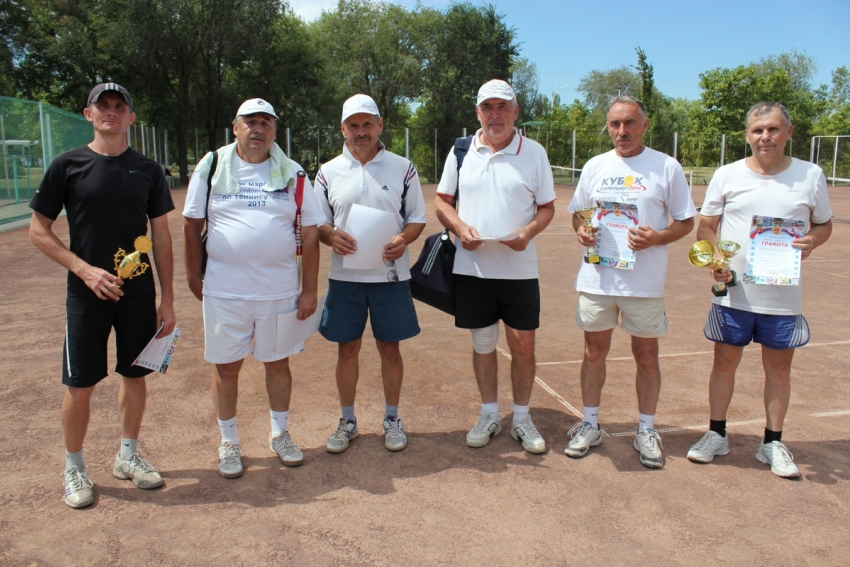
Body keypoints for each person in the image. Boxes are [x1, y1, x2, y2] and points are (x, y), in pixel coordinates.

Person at [29, 83, 176, 508]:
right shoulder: (67, 165)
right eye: (103, 106)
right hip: (86, 295)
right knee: (79, 386)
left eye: (120, 107)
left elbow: (162, 238)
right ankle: (74, 467)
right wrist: (83, 268)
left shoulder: (148, 170)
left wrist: (166, 301)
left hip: (137, 294)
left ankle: (127, 456)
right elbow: (39, 230)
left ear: (131, 117)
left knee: (135, 376)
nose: (111, 112)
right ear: (88, 114)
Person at [686, 102, 832, 478]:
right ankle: (717, 434)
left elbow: (824, 225)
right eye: (757, 131)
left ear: (788, 132)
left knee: (778, 369)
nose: (764, 137)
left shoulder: (810, 174)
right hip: (733, 292)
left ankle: (772, 443)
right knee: (723, 363)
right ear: (747, 135)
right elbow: (707, 225)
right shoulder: (727, 174)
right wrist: (716, 259)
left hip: (782, 296)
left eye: (772, 129)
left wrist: (812, 241)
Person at [183, 98, 323, 478]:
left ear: (274, 131)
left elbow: (310, 234)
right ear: (235, 127)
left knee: (278, 364)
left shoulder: (292, 172)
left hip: (278, 290)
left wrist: (308, 290)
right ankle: (229, 442)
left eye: (266, 122)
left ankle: (280, 434)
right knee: (226, 368)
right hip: (225, 290)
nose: (258, 129)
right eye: (250, 122)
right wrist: (194, 276)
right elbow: (192, 224)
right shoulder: (212, 166)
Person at [565, 95, 696, 468]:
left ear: (645, 124)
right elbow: (578, 216)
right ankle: (590, 425)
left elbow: (686, 222)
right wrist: (582, 232)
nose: (622, 132)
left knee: (646, 357)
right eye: (615, 124)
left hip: (644, 283)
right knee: (593, 352)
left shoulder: (667, 167)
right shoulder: (594, 166)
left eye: (629, 123)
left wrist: (656, 237)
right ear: (608, 127)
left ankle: (646, 430)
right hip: (597, 280)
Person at [434, 79, 556, 454]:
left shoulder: (534, 153)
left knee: (523, 346)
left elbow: (547, 207)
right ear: (478, 113)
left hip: (519, 269)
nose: (495, 114)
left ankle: (520, 418)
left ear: (515, 112)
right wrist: (458, 227)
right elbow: (442, 202)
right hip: (473, 270)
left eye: (502, 107)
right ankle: (489, 413)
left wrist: (528, 232)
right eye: (488, 107)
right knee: (483, 344)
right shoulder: (461, 151)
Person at [314, 94, 426, 453]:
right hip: (345, 279)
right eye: (353, 125)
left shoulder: (403, 167)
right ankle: (347, 421)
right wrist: (330, 236)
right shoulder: (327, 171)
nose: (361, 132)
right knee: (347, 349)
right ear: (342, 129)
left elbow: (417, 219)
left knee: (389, 349)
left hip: (390, 277)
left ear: (380, 125)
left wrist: (402, 239)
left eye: (368, 124)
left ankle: (392, 418)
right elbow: (318, 223)